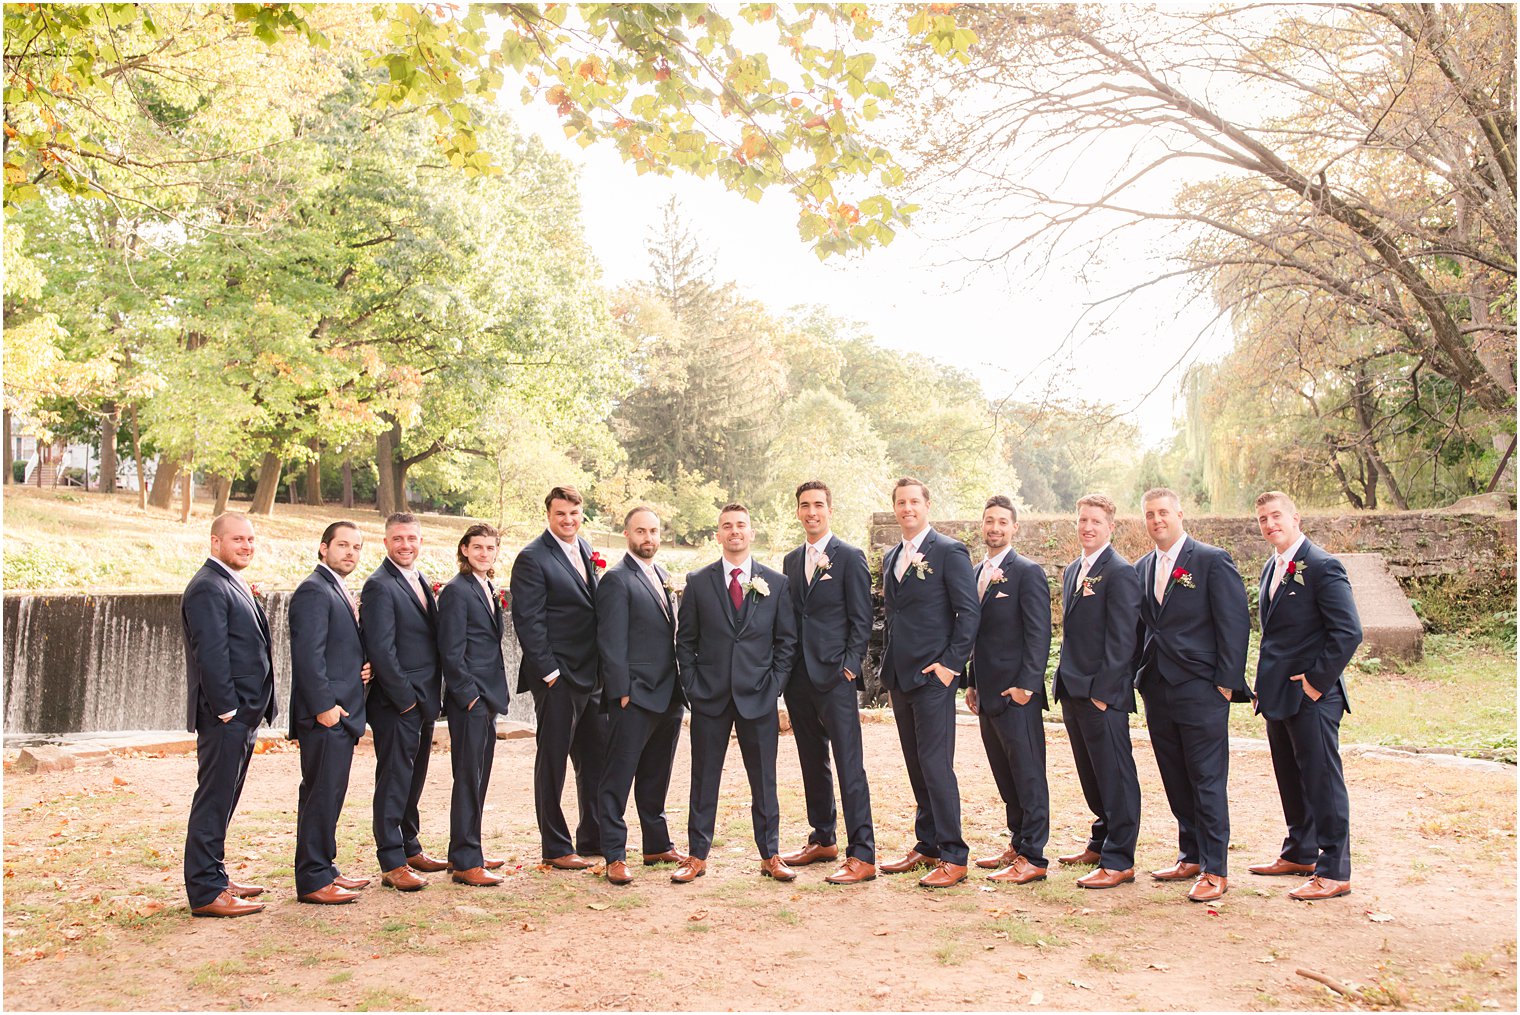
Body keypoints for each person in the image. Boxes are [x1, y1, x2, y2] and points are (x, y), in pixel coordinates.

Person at [1134, 487, 1252, 903]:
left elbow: (1236, 623)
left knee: (1206, 777)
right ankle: (1191, 853)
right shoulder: (1143, 566)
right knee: (1175, 775)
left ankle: (1215, 869)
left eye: (1163, 512)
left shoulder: (1210, 560)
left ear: (1180, 514)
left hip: (1202, 687)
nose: (1156, 520)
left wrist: (1227, 681)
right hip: (1158, 688)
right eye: (1149, 514)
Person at [671, 503, 798, 884]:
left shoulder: (776, 583)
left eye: (741, 525)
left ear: (751, 532)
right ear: (718, 535)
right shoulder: (698, 581)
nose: (734, 532)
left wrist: (774, 684)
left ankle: (770, 854)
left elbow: (786, 642)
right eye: (727, 526)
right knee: (703, 776)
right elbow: (685, 640)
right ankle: (697, 855)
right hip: (710, 696)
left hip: (758, 695)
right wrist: (692, 685)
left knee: (764, 779)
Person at [1249, 490, 1362, 901]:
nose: (1270, 524)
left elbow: (1348, 631)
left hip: (1313, 695)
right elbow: (1274, 637)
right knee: (1290, 776)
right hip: (1278, 693)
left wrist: (1316, 682)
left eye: (1276, 515)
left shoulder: (1322, 565)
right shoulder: (1271, 567)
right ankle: (1301, 851)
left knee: (1322, 780)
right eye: (1263, 519)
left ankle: (1334, 870)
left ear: (1296, 517)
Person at [878, 478, 980, 888]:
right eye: (901, 502)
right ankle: (928, 844)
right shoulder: (891, 556)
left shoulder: (950, 551)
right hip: (900, 678)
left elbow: (968, 613)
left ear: (927, 505)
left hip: (933, 679)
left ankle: (954, 855)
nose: (907, 508)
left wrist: (950, 666)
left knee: (937, 766)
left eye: (914, 501)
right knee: (916, 765)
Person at [778, 481, 877, 886]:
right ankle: (823, 838)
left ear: (829, 510)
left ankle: (863, 854)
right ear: (798, 512)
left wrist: (850, 667)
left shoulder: (849, 557)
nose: (811, 512)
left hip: (836, 677)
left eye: (818, 505)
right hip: (798, 679)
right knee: (810, 761)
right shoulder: (789, 561)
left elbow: (862, 618)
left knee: (849, 763)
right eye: (805, 506)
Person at [509, 485, 609, 869]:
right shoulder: (533, 558)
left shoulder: (585, 550)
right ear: (548, 516)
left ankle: (593, 837)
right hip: (558, 677)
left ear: (581, 514)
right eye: (560, 514)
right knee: (552, 762)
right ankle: (555, 846)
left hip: (592, 675)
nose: (568, 520)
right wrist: (549, 672)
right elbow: (528, 621)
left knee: (594, 760)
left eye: (574, 513)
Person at [181, 513, 275, 917]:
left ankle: (216, 877)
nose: (246, 546)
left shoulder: (231, 582)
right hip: (226, 716)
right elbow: (211, 653)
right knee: (213, 800)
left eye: (251, 539)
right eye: (238, 539)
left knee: (225, 799)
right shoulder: (207, 587)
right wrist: (227, 709)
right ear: (215, 542)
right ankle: (205, 891)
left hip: (244, 714)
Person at [1050, 493, 1144, 890]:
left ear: (1111, 527)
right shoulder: (1074, 570)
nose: (1087, 527)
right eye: (1082, 521)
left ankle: (1120, 859)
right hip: (1073, 688)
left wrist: (1104, 692)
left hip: (1101, 693)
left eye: (1095, 522)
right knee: (1091, 774)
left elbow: (1125, 639)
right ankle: (1101, 840)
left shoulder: (1120, 571)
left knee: (1115, 774)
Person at [594, 507, 687, 886]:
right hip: (634, 696)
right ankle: (615, 855)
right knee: (617, 778)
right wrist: (621, 692)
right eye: (640, 532)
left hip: (669, 694)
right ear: (627, 533)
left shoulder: (662, 574)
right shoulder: (616, 580)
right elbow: (610, 640)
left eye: (653, 531)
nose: (648, 538)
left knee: (656, 774)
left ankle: (656, 844)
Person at [965, 496, 1052, 885]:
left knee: (1029, 773)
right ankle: (1017, 844)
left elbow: (1039, 632)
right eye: (989, 521)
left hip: (1017, 694)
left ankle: (1034, 856)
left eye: (1002, 522)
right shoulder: (975, 571)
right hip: (987, 692)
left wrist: (1027, 686)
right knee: (1006, 775)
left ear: (1015, 527)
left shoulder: (1027, 572)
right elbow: (972, 633)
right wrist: (971, 681)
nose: (995, 528)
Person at [360, 512, 446, 891]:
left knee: (414, 778)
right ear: (386, 543)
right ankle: (392, 860)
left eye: (411, 538)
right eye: (398, 539)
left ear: (421, 541)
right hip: (398, 703)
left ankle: (411, 846)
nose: (405, 545)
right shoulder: (379, 585)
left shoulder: (420, 579)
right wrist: (406, 701)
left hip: (424, 699)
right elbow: (380, 648)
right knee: (394, 779)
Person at [288, 521, 373, 905]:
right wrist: (325, 708)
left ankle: (326, 868)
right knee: (321, 795)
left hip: (342, 712)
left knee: (328, 795)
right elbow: (307, 656)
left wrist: (363, 667)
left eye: (356, 547)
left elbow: (335, 648)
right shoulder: (312, 590)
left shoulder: (336, 588)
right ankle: (312, 880)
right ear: (323, 548)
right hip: (327, 716)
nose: (350, 553)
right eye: (342, 545)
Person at [436, 523, 512, 887]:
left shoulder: (486, 588)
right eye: (477, 547)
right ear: (464, 550)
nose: (484, 553)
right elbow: (451, 652)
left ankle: (464, 851)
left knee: (477, 778)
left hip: (488, 697)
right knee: (468, 777)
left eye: (490, 547)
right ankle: (467, 861)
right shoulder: (455, 591)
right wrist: (469, 698)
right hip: (471, 700)